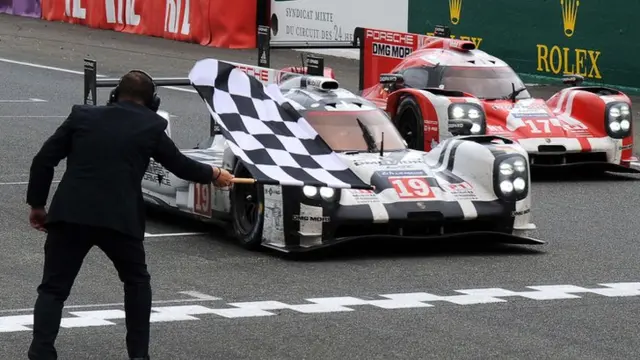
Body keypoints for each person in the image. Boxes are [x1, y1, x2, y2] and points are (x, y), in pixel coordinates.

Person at [25, 70, 234, 360]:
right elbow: (181, 166)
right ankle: (138, 355)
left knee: (53, 289)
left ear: (114, 95)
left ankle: (41, 352)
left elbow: (43, 160)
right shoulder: (151, 126)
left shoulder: (82, 116)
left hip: (71, 213)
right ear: (153, 103)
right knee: (136, 283)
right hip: (119, 219)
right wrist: (215, 173)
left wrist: (37, 204)